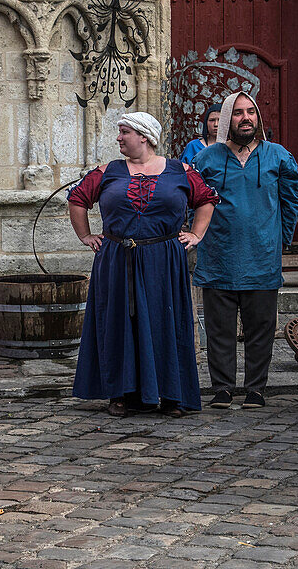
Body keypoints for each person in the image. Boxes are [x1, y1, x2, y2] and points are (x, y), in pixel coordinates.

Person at [68, 112, 219, 417]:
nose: (119, 137)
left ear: (144, 137)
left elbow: (206, 199)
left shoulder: (180, 171)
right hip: (117, 259)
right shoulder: (108, 171)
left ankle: (172, 394)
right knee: (119, 324)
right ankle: (121, 394)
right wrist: (85, 235)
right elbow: (77, 198)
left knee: (166, 324)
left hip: (163, 259)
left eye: (124, 132)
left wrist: (196, 234)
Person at [191, 92, 298, 409]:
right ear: (228, 119)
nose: (246, 118)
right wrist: (194, 235)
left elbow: (291, 198)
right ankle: (223, 387)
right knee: (220, 330)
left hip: (262, 256)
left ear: (258, 118)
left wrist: (281, 238)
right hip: (218, 255)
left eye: (251, 112)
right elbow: (193, 200)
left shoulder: (277, 156)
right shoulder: (207, 159)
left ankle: (256, 388)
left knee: (260, 330)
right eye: (238, 113)